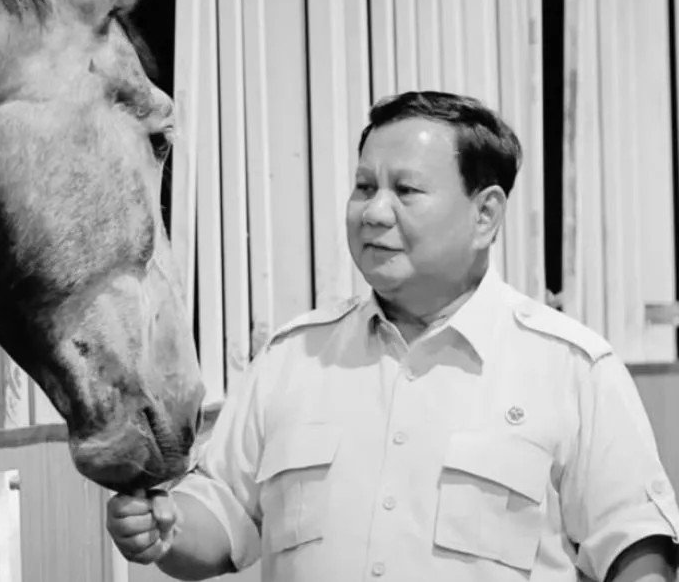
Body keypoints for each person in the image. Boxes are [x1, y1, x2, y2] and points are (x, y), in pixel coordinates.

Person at [106, 91, 679, 581]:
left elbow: (635, 548)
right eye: (363, 186)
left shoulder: (572, 368)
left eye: (405, 191)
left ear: (485, 216)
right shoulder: (294, 357)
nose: (373, 212)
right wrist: (167, 528)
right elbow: (224, 515)